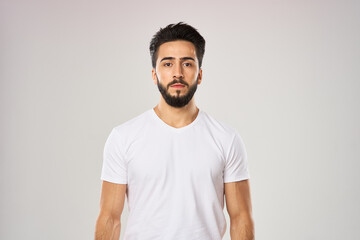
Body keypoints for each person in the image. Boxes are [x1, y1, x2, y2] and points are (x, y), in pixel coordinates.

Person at [94, 22, 254, 240]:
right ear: (154, 74)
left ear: (199, 74)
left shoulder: (226, 139)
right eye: (168, 64)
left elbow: (241, 218)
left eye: (187, 64)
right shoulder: (124, 137)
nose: (177, 73)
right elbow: (109, 218)